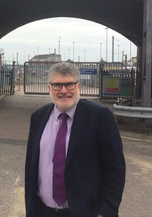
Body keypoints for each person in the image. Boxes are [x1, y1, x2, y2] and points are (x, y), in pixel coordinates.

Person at [25, 62, 126, 217]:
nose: (64, 90)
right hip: (42, 210)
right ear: (49, 89)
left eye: (69, 85)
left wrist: (105, 212)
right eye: (57, 85)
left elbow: (115, 169)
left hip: (85, 212)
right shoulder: (39, 117)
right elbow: (31, 166)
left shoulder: (99, 117)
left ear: (78, 87)